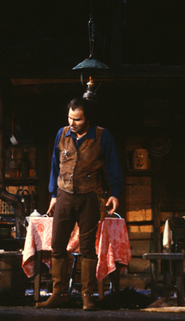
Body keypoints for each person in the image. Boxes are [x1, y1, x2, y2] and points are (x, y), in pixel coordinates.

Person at [36, 98, 124, 310]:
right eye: (70, 118)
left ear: (88, 119)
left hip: (89, 197)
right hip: (64, 195)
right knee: (57, 245)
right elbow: (55, 166)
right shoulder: (62, 133)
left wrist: (116, 193)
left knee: (87, 248)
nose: (73, 122)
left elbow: (113, 165)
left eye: (78, 119)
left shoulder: (103, 136)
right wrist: (53, 195)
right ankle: (59, 294)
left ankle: (87, 296)